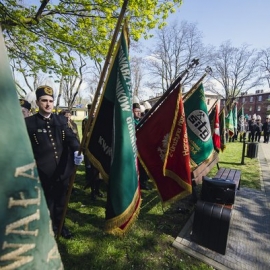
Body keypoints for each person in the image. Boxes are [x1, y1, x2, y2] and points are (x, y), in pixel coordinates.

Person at [25, 85, 84, 239]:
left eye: (51, 100)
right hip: (44, 172)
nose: (48, 104)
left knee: (61, 201)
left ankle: (60, 226)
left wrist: (78, 150)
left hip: (64, 170)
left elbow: (71, 138)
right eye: (44, 100)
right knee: (48, 202)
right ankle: (48, 228)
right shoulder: (29, 123)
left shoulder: (60, 120)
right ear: (37, 102)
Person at [82, 104, 104, 200]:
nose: (94, 111)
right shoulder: (86, 121)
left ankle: (97, 190)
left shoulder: (99, 120)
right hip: (89, 149)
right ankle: (92, 192)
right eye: (92, 110)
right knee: (91, 172)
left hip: (98, 149)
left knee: (99, 172)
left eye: (95, 110)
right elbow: (86, 134)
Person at [133, 102, 152, 190]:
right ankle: (139, 183)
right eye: (136, 111)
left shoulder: (140, 121)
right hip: (134, 147)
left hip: (142, 147)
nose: (139, 113)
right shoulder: (131, 122)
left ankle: (143, 182)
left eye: (139, 111)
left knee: (143, 166)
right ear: (132, 111)